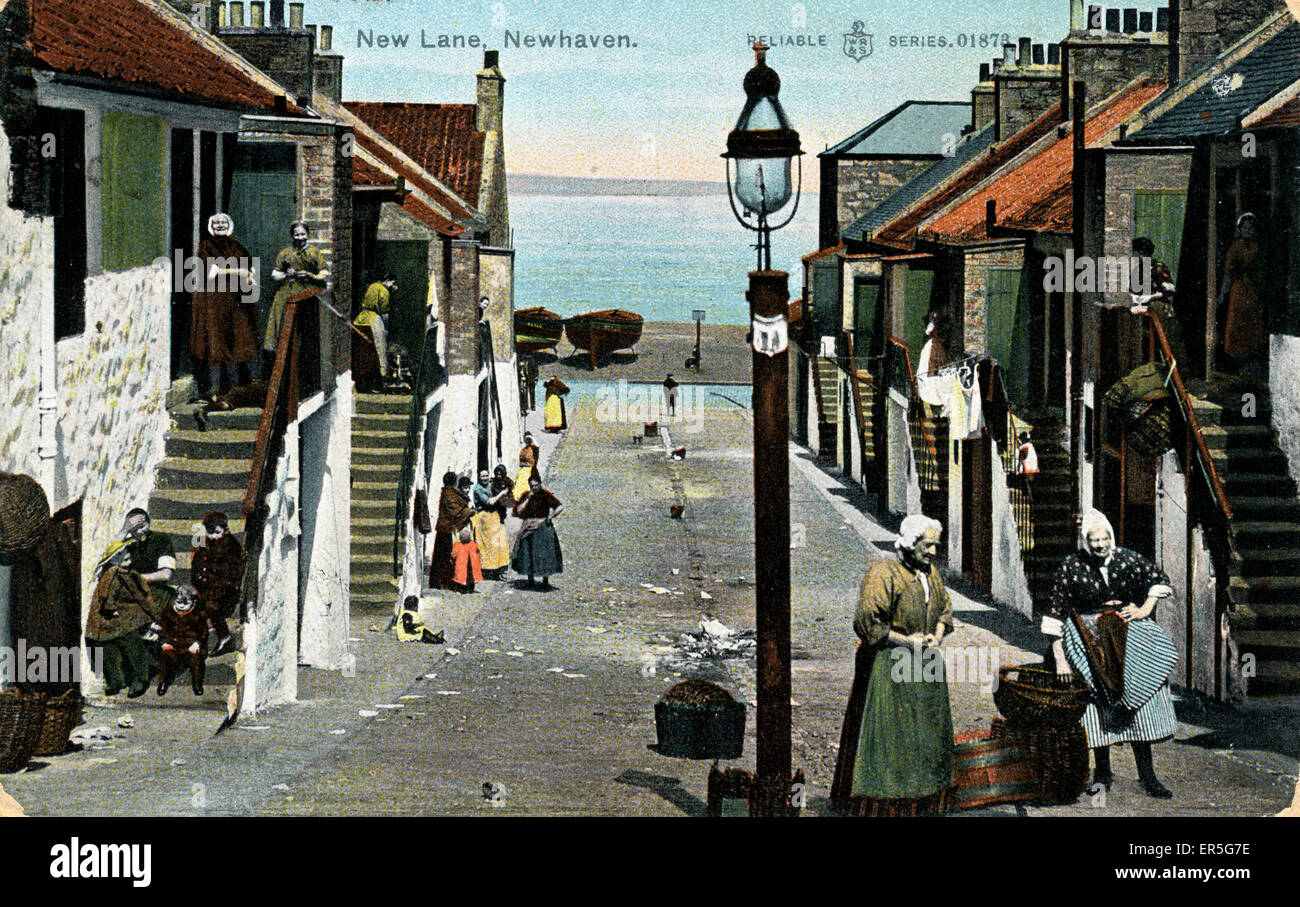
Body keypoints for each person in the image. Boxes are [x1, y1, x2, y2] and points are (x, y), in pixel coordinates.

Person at [1043, 509, 1177, 799]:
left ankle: (1148, 776)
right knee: (1097, 704)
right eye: (1094, 541)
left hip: (1125, 634)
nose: (1100, 545)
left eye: (1104, 539)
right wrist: (1060, 657)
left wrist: (1143, 609)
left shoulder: (1126, 558)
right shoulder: (1071, 565)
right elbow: (1055, 611)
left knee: (1140, 698)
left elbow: (1159, 580)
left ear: (1111, 538)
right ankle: (1103, 774)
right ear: (1085, 541)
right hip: (1086, 639)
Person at [830, 514, 955, 816]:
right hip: (889, 662)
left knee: (926, 729)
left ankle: (923, 800)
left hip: (925, 662)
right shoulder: (883, 572)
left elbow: (945, 609)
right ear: (911, 544)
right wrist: (906, 641)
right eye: (928, 545)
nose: (933, 552)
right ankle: (890, 805)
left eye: (936, 546)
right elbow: (867, 622)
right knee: (892, 734)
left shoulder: (931, 574)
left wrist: (936, 636)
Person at [189, 213, 259, 403]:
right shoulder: (206, 247)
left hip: (234, 301)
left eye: (223, 222)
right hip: (214, 299)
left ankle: (234, 388)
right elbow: (212, 272)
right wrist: (239, 270)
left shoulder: (235, 246)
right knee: (215, 341)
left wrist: (249, 274)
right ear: (212, 226)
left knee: (235, 340)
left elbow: (248, 265)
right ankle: (215, 388)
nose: (220, 225)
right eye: (216, 222)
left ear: (229, 225)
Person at [84, 541, 155, 698]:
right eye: (125, 560)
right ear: (114, 561)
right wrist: (110, 608)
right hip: (112, 617)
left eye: (130, 559)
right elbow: (106, 594)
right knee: (107, 647)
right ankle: (115, 680)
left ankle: (140, 679)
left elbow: (143, 595)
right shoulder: (111, 575)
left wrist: (152, 615)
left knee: (133, 645)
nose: (129, 563)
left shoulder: (130, 575)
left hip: (129, 615)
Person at [265, 221, 330, 367]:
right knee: (282, 319)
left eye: (303, 234)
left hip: (307, 291)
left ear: (307, 235)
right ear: (292, 236)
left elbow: (324, 272)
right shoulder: (285, 253)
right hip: (289, 290)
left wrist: (310, 275)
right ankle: (281, 352)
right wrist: (286, 274)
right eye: (297, 234)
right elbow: (274, 274)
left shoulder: (314, 252)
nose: (300, 238)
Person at [1217, 212, 1265, 377]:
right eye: (1244, 227)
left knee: (1254, 324)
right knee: (1237, 324)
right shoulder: (1236, 247)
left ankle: (1252, 365)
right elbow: (1228, 272)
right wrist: (1223, 293)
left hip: (1254, 289)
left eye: (1250, 228)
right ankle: (1240, 365)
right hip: (1239, 290)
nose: (1247, 231)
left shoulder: (1259, 247)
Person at [190, 511, 243, 656]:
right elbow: (197, 564)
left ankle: (225, 638)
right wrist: (198, 580)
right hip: (207, 586)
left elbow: (234, 572)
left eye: (217, 532)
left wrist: (219, 585)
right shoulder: (203, 542)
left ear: (225, 530)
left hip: (225, 589)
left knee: (211, 608)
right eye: (210, 532)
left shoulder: (231, 545)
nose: (213, 536)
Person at [511, 472, 564, 589]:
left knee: (545, 554)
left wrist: (551, 517)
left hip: (542, 527)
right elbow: (517, 511)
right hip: (528, 527)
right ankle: (530, 580)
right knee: (528, 553)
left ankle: (545, 580)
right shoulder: (526, 495)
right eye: (531, 486)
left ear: (540, 484)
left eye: (535, 485)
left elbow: (560, 507)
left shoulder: (546, 494)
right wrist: (526, 499)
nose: (533, 488)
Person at [156, 584, 208, 697]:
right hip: (173, 643)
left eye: (186, 604)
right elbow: (163, 629)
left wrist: (196, 643)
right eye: (179, 602)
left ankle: (197, 682)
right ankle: (163, 682)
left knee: (196, 661)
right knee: (165, 658)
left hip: (190, 644)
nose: (182, 606)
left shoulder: (197, 615)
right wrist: (165, 642)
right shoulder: (168, 613)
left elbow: (202, 632)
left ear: (193, 603)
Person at [122, 508, 176, 612]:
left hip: (156, 590)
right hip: (134, 592)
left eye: (142, 526)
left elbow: (166, 574)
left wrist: (140, 578)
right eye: (134, 529)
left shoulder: (160, 539)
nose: (139, 531)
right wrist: (123, 532)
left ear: (149, 523)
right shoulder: (129, 544)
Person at [429, 472, 473, 589]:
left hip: (444, 527)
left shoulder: (447, 492)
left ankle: (438, 581)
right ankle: (444, 581)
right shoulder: (449, 494)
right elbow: (455, 511)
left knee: (440, 555)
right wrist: (469, 512)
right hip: (447, 528)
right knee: (445, 556)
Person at [355, 273, 397, 381]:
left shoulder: (372, 286)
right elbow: (384, 313)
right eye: (392, 282)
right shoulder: (384, 291)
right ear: (387, 280)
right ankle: (383, 375)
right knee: (380, 348)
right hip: (374, 319)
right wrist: (385, 328)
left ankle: (363, 375)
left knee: (365, 350)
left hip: (361, 318)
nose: (393, 285)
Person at [471, 468, 511, 578]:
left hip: (494, 516)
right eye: (482, 476)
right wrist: (502, 493)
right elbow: (490, 502)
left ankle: (499, 569)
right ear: (479, 477)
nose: (485, 478)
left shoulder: (490, 485)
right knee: (487, 546)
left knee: (499, 544)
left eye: (486, 476)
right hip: (484, 517)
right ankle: (486, 571)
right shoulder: (477, 489)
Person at [451, 476, 484, 593]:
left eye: (468, 487)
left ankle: (470, 582)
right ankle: (460, 583)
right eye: (465, 487)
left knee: (470, 557)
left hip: (468, 528)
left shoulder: (467, 498)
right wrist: (469, 512)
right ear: (460, 488)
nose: (467, 489)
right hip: (460, 529)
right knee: (461, 557)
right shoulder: (457, 499)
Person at [513, 433, 540, 499]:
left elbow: (537, 446)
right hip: (522, 470)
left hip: (530, 470)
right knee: (519, 485)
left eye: (529, 439)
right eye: (526, 439)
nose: (527, 441)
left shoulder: (534, 449)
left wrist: (531, 438)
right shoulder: (524, 449)